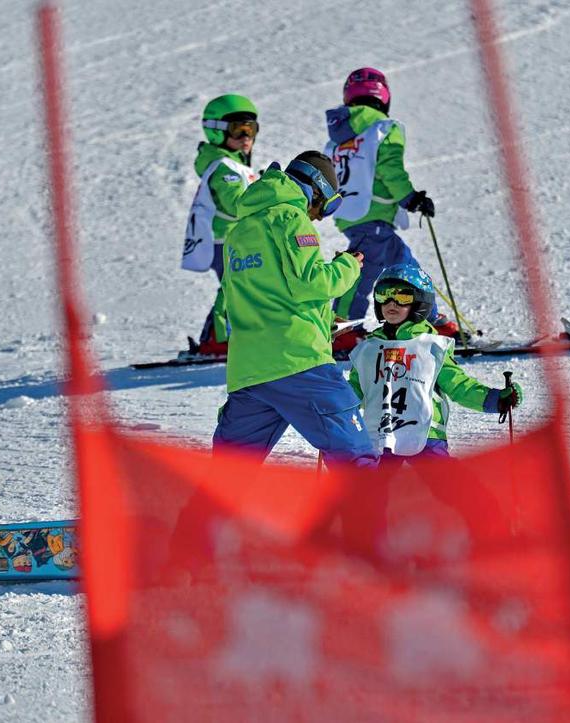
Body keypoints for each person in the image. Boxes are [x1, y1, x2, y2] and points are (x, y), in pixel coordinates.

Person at [212, 151, 376, 467]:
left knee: (228, 472)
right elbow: (311, 283)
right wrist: (347, 266)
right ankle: (373, 516)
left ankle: (199, 517)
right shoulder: (290, 218)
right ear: (316, 190)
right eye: (326, 206)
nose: (317, 217)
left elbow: (261, 293)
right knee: (355, 457)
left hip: (250, 370)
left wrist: (323, 317)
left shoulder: (240, 231)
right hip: (299, 362)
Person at [324, 67, 460, 351]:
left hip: (352, 214)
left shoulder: (335, 140)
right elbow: (390, 168)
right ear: (383, 96)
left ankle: (429, 318)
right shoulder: (384, 128)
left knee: (394, 265)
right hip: (373, 216)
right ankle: (346, 329)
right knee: (377, 270)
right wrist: (410, 198)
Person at [347, 263, 522, 460]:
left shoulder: (431, 347)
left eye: (402, 296)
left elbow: (457, 385)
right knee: (374, 488)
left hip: (426, 434)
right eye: (383, 295)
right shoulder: (367, 349)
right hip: (380, 436)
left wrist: (495, 400)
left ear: (420, 303)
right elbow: (353, 392)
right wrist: (329, 407)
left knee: (444, 485)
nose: (391, 303)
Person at [180, 94, 260, 356]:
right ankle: (217, 339)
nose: (246, 136)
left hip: (232, 238)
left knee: (238, 285)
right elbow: (236, 203)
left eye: (251, 129)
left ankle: (217, 337)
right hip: (222, 239)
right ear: (216, 132)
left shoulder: (233, 164)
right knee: (236, 285)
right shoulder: (224, 168)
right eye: (239, 129)